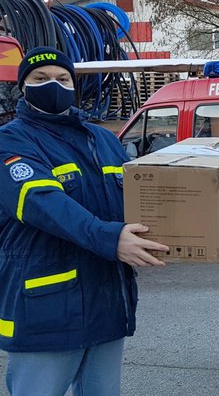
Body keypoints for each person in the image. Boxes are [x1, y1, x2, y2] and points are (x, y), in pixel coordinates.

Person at [0, 47, 170, 396]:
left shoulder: (104, 140)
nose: (54, 85)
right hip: (47, 308)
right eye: (40, 78)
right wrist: (112, 239)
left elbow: (138, 199)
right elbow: (44, 204)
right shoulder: (11, 140)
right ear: (24, 87)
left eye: (63, 78)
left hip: (107, 302)